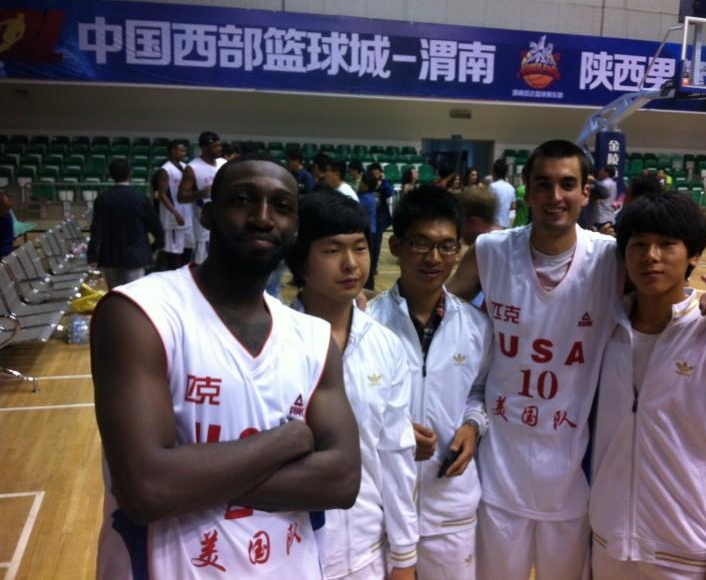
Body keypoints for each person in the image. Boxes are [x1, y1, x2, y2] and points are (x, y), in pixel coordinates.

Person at [445, 139, 706, 580]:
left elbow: (662, 286)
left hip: (574, 483)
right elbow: (438, 314)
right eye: (543, 184)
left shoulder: (610, 260)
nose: (555, 196)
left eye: (568, 184)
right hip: (497, 477)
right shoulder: (490, 252)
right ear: (526, 189)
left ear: (587, 193)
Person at [92, 155, 361, 579]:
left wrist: (191, 479)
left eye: (282, 206)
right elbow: (146, 489)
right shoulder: (140, 313)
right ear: (210, 214)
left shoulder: (312, 337)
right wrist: (288, 441)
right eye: (242, 200)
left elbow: (343, 481)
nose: (262, 218)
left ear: (294, 227)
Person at [590, 191, 706, 579]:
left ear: (694, 255)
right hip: (608, 542)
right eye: (638, 245)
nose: (651, 256)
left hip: (685, 550)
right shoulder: (603, 331)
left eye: (667, 244)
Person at [287, 190, 418, 579]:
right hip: (288, 549)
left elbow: (396, 457)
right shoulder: (275, 344)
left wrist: (405, 556)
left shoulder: (386, 345)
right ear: (300, 260)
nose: (350, 264)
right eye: (331, 250)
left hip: (365, 551)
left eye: (359, 248)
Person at [368, 185, 492, 580]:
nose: (434, 258)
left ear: (459, 252)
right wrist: (398, 432)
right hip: (381, 509)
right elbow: (353, 408)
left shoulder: (476, 326)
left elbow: (480, 392)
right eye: (421, 244)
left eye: (446, 246)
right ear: (396, 246)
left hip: (450, 508)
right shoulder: (365, 325)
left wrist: (474, 427)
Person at [87, 158, 164, 289]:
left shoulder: (102, 199)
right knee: (134, 296)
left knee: (115, 295)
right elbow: (157, 227)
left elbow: (96, 230)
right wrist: (153, 247)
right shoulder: (140, 198)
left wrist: (92, 255)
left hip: (110, 256)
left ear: (111, 175)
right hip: (136, 255)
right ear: (130, 174)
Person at [179, 130, 226, 264]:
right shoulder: (193, 168)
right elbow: (181, 197)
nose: (219, 149)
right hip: (205, 219)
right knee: (204, 259)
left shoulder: (223, 163)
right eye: (215, 146)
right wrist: (200, 193)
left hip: (223, 215)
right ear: (204, 148)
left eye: (220, 145)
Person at [156, 140, 192, 270]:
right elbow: (162, 194)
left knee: (187, 246)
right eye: (181, 150)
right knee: (174, 250)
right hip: (173, 216)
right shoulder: (165, 170)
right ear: (173, 151)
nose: (184, 153)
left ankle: (183, 273)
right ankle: (172, 274)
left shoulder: (184, 166)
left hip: (186, 213)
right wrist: (175, 213)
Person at [358, 171, 379, 290]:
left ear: (366, 185)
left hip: (369, 232)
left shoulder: (365, 199)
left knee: (367, 261)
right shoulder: (369, 195)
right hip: (371, 230)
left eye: (362, 182)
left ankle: (369, 287)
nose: (359, 183)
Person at [488, 159, 515, 228]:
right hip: (507, 224)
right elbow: (513, 207)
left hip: (494, 224)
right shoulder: (511, 188)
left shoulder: (492, 186)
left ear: (494, 172)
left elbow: (488, 205)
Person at [594, 165, 618, 229]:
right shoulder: (613, 183)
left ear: (606, 173)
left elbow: (598, 200)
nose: (600, 172)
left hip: (601, 218)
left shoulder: (604, 184)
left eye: (602, 171)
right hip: (610, 216)